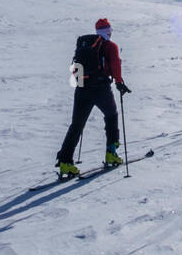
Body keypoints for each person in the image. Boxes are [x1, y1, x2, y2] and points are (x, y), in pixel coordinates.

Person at [56, 18, 131, 178]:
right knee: (111, 116)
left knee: (76, 125)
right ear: (109, 31)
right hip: (101, 88)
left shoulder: (85, 44)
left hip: (82, 88)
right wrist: (119, 82)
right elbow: (116, 64)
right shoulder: (110, 46)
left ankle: (65, 162)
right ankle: (111, 153)